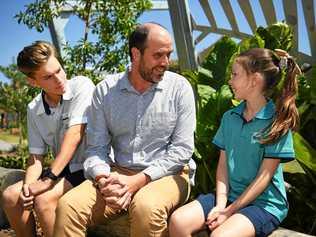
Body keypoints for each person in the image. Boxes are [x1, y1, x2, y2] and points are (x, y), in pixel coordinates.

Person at [52, 22, 196, 237]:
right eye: (158, 55)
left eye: (168, 54)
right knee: (68, 207)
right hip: (117, 173)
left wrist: (136, 182)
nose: (165, 62)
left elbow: (182, 151)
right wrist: (103, 180)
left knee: (146, 208)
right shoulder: (105, 91)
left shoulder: (179, 88)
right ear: (136, 54)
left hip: (168, 174)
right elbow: (96, 148)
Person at [169, 48, 302, 237]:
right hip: (229, 196)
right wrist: (221, 205)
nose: (230, 81)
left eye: (235, 74)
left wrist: (229, 212)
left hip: (264, 204)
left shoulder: (277, 122)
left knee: (220, 236)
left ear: (254, 80)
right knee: (178, 221)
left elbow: (264, 178)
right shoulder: (229, 117)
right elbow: (223, 165)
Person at [2, 41, 95, 237]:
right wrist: (28, 188)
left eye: (59, 70)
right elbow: (36, 157)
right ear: (33, 82)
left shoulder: (82, 86)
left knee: (44, 200)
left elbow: (75, 135)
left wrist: (48, 179)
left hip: (89, 166)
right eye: (48, 77)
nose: (59, 79)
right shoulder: (34, 108)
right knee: (12, 196)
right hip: (64, 170)